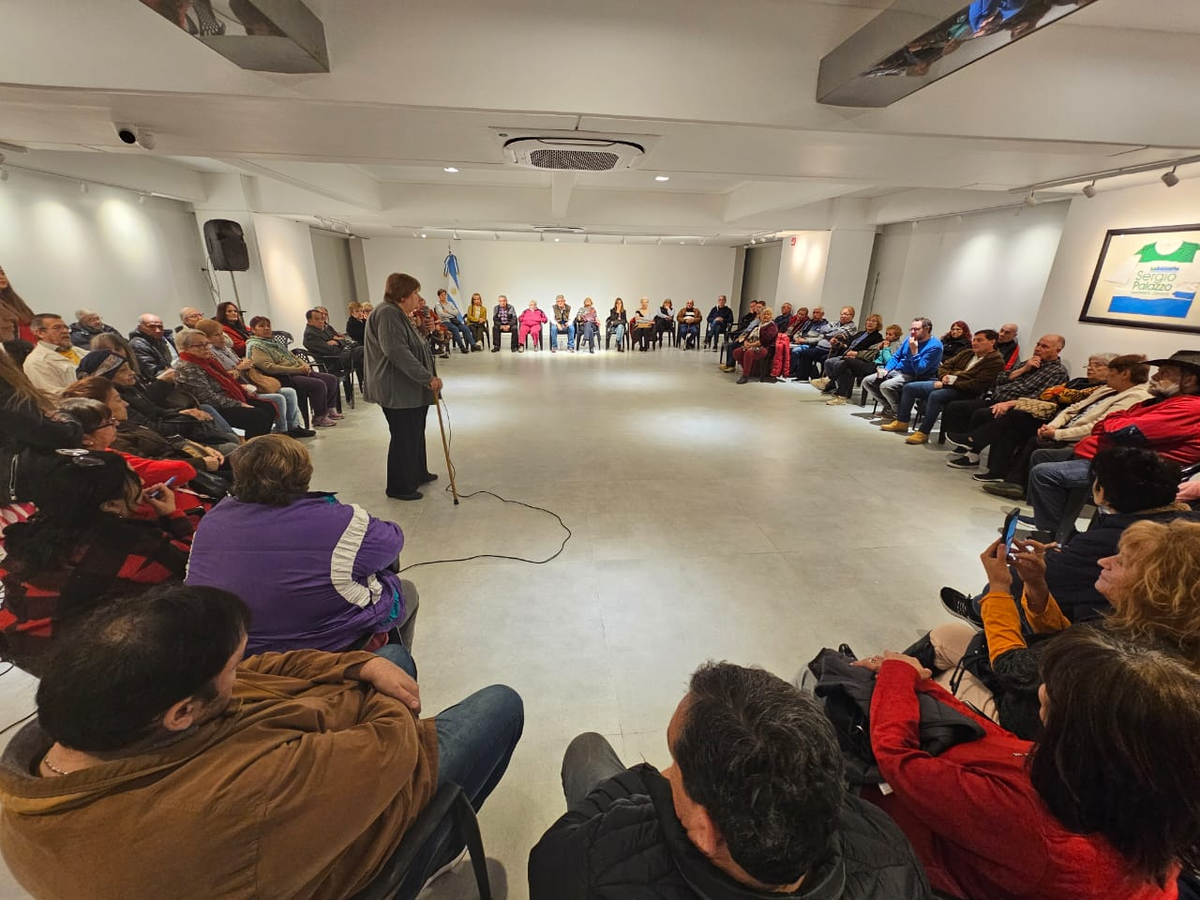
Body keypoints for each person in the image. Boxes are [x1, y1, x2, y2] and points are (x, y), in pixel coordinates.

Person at [0, 584, 524, 900]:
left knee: (389, 662)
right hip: (341, 845)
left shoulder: (83, 729)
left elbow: (262, 667)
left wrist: (356, 663)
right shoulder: (230, 798)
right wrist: (375, 699)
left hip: (285, 794)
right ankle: (435, 847)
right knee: (499, 704)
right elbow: (392, 747)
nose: (241, 669)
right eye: (230, 667)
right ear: (183, 712)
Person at [529, 662, 930, 900]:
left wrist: (642, 786)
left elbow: (547, 865)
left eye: (675, 764)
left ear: (706, 830)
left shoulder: (602, 861)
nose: (665, 772)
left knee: (586, 750)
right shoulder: (890, 848)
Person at [856, 628, 1200, 900]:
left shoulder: (1034, 823)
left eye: (1055, 688)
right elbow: (1005, 744)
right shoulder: (1135, 796)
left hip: (927, 856)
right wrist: (928, 687)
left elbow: (898, 760)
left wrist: (898, 674)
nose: (1042, 690)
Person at [187, 434, 418, 654]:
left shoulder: (211, 521)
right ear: (304, 472)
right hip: (325, 647)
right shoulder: (342, 521)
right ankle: (394, 672)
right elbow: (392, 542)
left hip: (237, 652)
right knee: (405, 590)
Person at [0, 450, 190, 676]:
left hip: (20, 654)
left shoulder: (30, 533)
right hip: (79, 669)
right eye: (132, 478)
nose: (140, 481)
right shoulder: (131, 546)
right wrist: (174, 516)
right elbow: (191, 568)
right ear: (109, 505)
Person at [1028, 350, 1200, 536]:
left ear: (1189, 380)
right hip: (1108, 459)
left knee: (1045, 474)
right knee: (1043, 455)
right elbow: (1108, 423)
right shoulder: (1156, 402)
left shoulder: (1190, 407)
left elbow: (1123, 432)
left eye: (1165, 372)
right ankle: (1061, 527)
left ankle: (1055, 535)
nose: (1155, 375)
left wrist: (1113, 423)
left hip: (1137, 472)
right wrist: (1114, 422)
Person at [980, 354, 1151, 497]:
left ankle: (1014, 482)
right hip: (1062, 427)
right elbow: (1073, 408)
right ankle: (1004, 476)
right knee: (1015, 424)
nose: (1108, 375)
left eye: (1111, 371)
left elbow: (1097, 426)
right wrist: (1053, 426)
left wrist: (1056, 434)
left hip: (1084, 441)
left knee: (1032, 439)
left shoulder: (1135, 397)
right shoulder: (1108, 389)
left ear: (1125, 374)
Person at [365, 273, 441, 502]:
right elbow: (396, 351)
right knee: (404, 435)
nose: (418, 298)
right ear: (403, 294)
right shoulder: (388, 313)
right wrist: (426, 377)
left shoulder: (399, 314)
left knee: (415, 431)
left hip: (409, 388)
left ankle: (417, 472)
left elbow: (414, 345)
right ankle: (399, 485)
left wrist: (425, 331)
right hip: (397, 388)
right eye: (415, 292)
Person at [940, 333, 1069, 462]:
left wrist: (1009, 404)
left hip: (1017, 408)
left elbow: (1039, 398)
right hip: (996, 399)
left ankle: (971, 448)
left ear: (1057, 350)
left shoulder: (1057, 372)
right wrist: (1024, 369)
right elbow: (1000, 379)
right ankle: (967, 447)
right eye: (1038, 344)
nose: (1038, 348)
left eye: (1044, 346)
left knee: (982, 414)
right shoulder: (1028, 363)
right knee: (956, 407)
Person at [194, 318, 312, 437]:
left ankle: (293, 427)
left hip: (252, 381)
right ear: (206, 338)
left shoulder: (227, 350)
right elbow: (224, 378)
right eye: (216, 335)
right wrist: (240, 367)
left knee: (290, 392)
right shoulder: (212, 355)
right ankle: (282, 432)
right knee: (278, 398)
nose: (222, 337)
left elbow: (289, 356)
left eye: (221, 334)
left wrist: (302, 366)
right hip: (240, 388)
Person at [881, 328, 1003, 443]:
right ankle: (902, 421)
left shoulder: (995, 361)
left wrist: (952, 381)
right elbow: (945, 366)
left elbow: (977, 384)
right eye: (974, 340)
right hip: (946, 383)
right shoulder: (967, 353)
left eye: (980, 340)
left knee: (936, 396)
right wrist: (945, 377)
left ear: (992, 342)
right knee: (910, 387)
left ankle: (924, 432)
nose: (975, 343)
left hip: (967, 391)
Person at [173, 330, 277, 438]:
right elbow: (206, 397)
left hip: (224, 399)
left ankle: (263, 443)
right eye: (200, 345)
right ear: (185, 348)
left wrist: (240, 389)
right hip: (212, 407)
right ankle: (253, 450)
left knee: (269, 407)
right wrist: (238, 404)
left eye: (207, 344)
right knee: (258, 415)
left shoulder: (207, 361)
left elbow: (225, 382)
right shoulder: (188, 367)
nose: (206, 348)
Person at [247, 316, 342, 428]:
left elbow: (292, 356)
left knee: (331, 379)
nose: (267, 328)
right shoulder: (255, 346)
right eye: (261, 326)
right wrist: (298, 369)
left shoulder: (274, 342)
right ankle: (319, 417)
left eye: (268, 326)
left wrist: (304, 365)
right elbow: (269, 367)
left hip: (297, 371)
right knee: (318, 384)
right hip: (282, 376)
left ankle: (330, 409)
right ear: (253, 330)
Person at [861, 317, 943, 419]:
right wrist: (886, 369)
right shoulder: (909, 339)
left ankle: (899, 413)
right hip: (897, 370)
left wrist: (914, 351)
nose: (913, 332)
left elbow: (920, 369)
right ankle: (889, 408)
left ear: (927, 329)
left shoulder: (935, 346)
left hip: (914, 375)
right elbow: (896, 356)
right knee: (867, 381)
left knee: (886, 386)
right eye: (911, 329)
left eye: (916, 329)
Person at [825, 323, 902, 405]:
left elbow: (889, 361)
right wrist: (878, 348)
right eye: (886, 333)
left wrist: (886, 349)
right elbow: (870, 350)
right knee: (847, 369)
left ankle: (829, 380)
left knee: (848, 361)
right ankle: (841, 396)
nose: (887, 336)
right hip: (871, 363)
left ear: (897, 336)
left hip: (879, 368)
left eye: (890, 334)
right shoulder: (885, 342)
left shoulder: (896, 345)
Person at [812, 314, 884, 391]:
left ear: (878, 324)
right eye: (868, 320)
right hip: (845, 354)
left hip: (858, 359)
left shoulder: (877, 337)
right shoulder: (860, 333)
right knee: (828, 362)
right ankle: (831, 385)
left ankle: (838, 388)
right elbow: (847, 345)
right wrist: (837, 343)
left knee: (838, 364)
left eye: (873, 321)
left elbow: (870, 353)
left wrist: (856, 355)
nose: (870, 323)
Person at [791, 305, 856, 382]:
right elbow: (822, 329)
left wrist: (829, 332)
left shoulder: (852, 327)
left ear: (852, 316)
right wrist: (831, 332)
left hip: (834, 350)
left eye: (846, 314)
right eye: (842, 314)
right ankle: (803, 377)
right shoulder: (835, 323)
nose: (843, 316)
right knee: (806, 353)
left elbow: (835, 333)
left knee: (824, 359)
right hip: (820, 347)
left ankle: (824, 380)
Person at [303, 306, 367, 384]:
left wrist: (336, 342)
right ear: (309, 320)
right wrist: (338, 343)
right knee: (365, 350)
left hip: (342, 355)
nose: (320, 321)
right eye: (317, 319)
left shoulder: (323, 329)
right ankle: (370, 385)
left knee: (364, 358)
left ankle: (367, 385)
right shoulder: (310, 334)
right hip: (334, 362)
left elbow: (342, 339)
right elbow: (331, 350)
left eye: (322, 319)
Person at [732, 305, 778, 384]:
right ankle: (750, 371)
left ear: (771, 316)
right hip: (751, 345)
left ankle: (745, 375)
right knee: (737, 352)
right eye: (764, 314)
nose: (766, 316)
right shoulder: (757, 326)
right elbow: (748, 336)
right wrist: (746, 342)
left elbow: (766, 339)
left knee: (749, 353)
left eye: (768, 314)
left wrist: (752, 344)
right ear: (760, 316)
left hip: (764, 347)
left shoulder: (772, 326)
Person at [128, 313, 178, 379]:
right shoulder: (137, 344)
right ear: (140, 328)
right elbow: (153, 372)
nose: (157, 330)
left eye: (160, 327)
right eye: (151, 327)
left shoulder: (161, 339)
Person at [429, 289, 475, 354]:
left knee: (465, 328)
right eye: (442, 295)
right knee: (455, 329)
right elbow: (441, 314)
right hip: (445, 322)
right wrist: (451, 314)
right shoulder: (438, 305)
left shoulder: (450, 303)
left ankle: (473, 345)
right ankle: (462, 347)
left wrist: (448, 311)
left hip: (454, 321)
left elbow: (457, 312)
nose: (444, 296)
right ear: (439, 296)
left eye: (445, 295)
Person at [0, 264, 36, 344]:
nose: (2, 277)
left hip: (36, 347)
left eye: (2, 273)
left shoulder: (15, 301)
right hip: (15, 352)